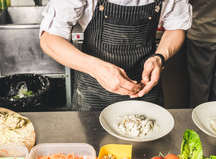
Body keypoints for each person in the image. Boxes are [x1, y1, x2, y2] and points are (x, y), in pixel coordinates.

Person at [39, 0, 192, 111]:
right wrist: (96, 68)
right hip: (93, 96)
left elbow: (176, 27)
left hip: (145, 91)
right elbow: (49, 39)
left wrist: (160, 57)